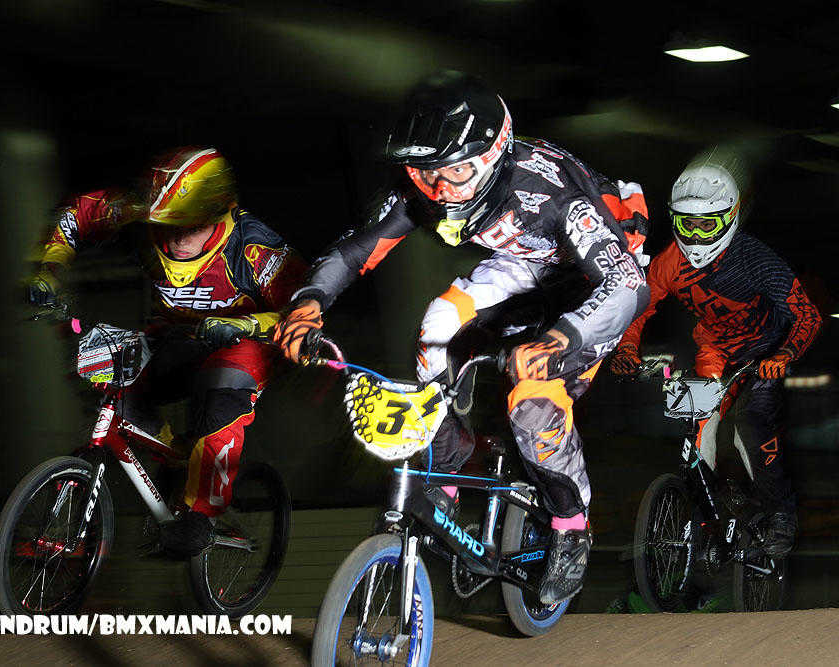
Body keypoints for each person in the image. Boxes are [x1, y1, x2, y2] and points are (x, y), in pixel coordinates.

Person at [274, 71, 650, 604]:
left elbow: (629, 286)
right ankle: (449, 462)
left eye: (454, 172)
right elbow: (357, 248)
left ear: (493, 155)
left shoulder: (550, 190)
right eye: (427, 174)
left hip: (603, 276)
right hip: (527, 260)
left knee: (532, 407)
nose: (440, 190)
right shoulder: (428, 183)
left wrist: (560, 338)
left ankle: (571, 526)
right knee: (436, 325)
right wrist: (310, 301)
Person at [29, 147, 306, 555]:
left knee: (223, 388)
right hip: (178, 335)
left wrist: (246, 324)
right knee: (111, 377)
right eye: (166, 225)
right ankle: (178, 458)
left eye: (189, 227)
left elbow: (302, 311)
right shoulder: (141, 214)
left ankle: (200, 516)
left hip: (250, 341)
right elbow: (79, 213)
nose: (176, 238)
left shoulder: (254, 248)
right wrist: (48, 271)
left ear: (216, 215)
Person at [610, 161, 821, 556]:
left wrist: (785, 353)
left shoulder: (756, 260)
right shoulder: (669, 262)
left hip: (763, 351)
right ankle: (706, 520)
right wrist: (626, 349)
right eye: (686, 224)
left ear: (730, 218)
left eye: (706, 225)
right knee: (699, 429)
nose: (694, 235)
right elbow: (639, 307)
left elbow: (807, 315)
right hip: (715, 350)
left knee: (749, 424)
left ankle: (780, 514)